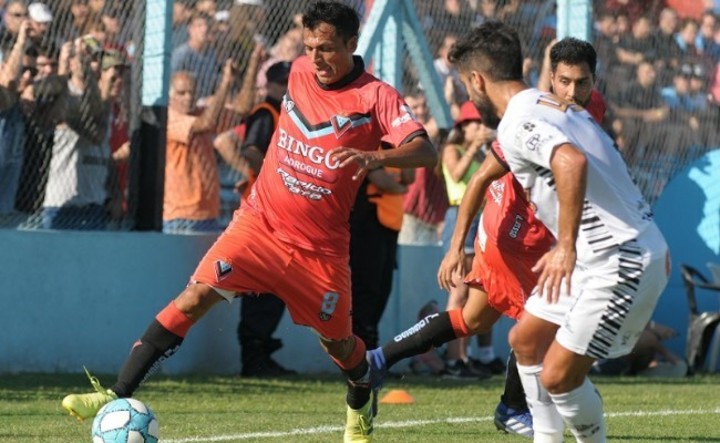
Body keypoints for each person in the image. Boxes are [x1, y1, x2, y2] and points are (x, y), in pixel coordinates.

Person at [61, 4, 436, 443]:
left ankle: (360, 399)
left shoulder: (376, 97)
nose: (316, 58)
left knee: (340, 347)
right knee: (194, 297)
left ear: (353, 45)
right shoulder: (297, 71)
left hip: (319, 252)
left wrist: (378, 156)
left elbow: (424, 150)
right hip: (259, 226)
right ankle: (114, 393)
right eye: (311, 47)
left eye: (328, 49)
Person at [365, 36, 611, 441]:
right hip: (510, 233)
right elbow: (479, 178)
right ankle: (513, 407)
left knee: (472, 319)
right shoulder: (535, 115)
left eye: (581, 83)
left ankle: (379, 358)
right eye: (563, 82)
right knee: (543, 319)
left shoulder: (592, 109)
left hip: (532, 233)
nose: (572, 93)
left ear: (593, 80)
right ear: (551, 79)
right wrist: (456, 247)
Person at [450, 22, 668, 442]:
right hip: (601, 254)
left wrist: (565, 245)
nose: (468, 94)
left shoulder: (517, 122)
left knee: (557, 377)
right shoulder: (544, 103)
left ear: (476, 80)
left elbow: (571, 162)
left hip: (621, 259)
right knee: (525, 340)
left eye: (465, 84)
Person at [225, 60, 297, 377]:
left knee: (276, 285)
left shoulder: (288, 115)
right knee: (261, 286)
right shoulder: (265, 111)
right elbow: (252, 150)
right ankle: (253, 356)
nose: (286, 89)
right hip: (265, 211)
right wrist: (275, 176)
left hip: (283, 211)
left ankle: (262, 351)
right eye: (282, 84)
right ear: (270, 85)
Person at [439, 100, 501, 379]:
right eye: (474, 123)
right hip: (460, 218)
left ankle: (467, 357)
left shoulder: (480, 154)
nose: (479, 128)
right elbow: (456, 174)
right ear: (462, 127)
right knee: (460, 291)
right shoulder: (454, 149)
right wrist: (476, 147)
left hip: (480, 220)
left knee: (478, 290)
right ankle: (454, 360)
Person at [162, 61, 244, 234]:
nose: (188, 97)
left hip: (208, 212)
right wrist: (225, 83)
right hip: (181, 214)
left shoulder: (201, 112)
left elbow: (242, 111)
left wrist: (251, 64)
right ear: (169, 96)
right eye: (181, 93)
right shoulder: (169, 118)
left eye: (192, 92)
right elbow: (207, 123)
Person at [350, 143, 414, 350]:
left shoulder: (395, 146)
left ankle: (369, 345)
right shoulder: (369, 142)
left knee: (382, 288)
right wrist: (398, 186)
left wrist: (407, 145)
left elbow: (409, 177)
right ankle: (359, 348)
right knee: (366, 288)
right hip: (367, 224)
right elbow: (384, 181)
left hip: (390, 225)